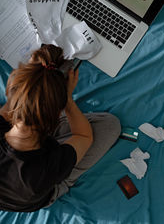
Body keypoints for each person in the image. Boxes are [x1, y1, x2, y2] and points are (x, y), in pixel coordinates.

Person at [0, 44, 121, 212]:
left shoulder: (7, 113)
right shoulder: (42, 173)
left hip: (17, 186)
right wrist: (68, 102)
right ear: (57, 115)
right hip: (40, 190)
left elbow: (8, 109)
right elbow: (84, 136)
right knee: (110, 126)